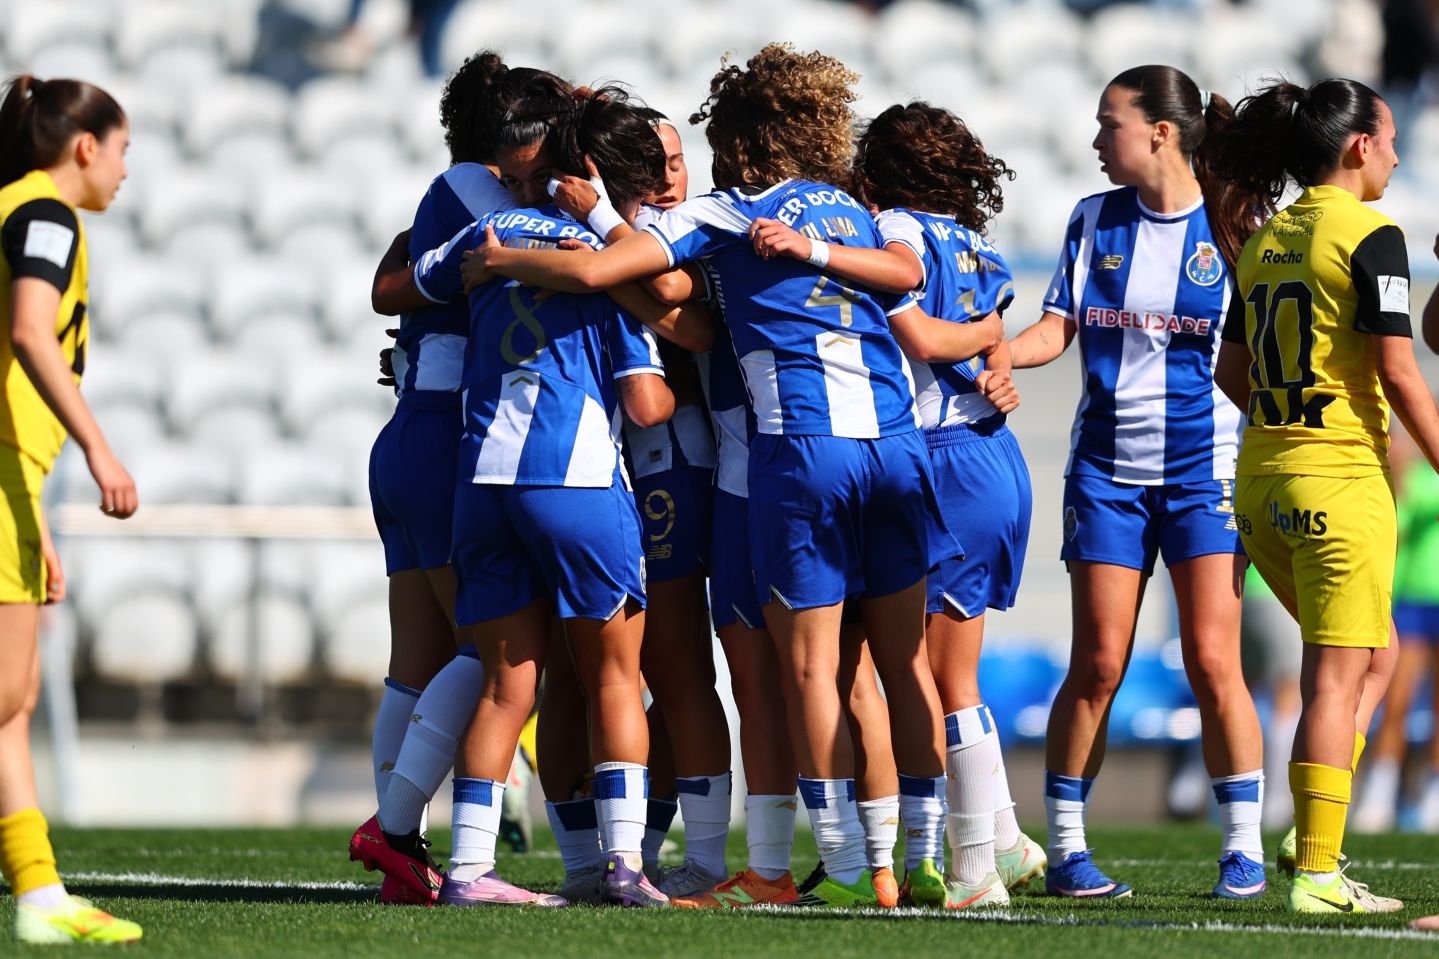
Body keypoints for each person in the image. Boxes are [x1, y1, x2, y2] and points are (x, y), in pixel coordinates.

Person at [461, 43, 953, 909]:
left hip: (779, 459)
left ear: (735, 140)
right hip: (890, 444)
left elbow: (635, 290)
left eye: (696, 152)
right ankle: (909, 856)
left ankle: (825, 866)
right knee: (882, 667)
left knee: (790, 673)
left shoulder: (726, 214)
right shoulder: (841, 206)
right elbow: (890, 276)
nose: (686, 171)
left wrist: (522, 254)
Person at [748, 99, 1040, 908]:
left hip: (939, 454)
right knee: (932, 669)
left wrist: (979, 343)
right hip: (989, 454)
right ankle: (999, 844)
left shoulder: (901, 231)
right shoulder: (976, 241)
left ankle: (977, 864)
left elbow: (922, 334)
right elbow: (990, 331)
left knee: (934, 675)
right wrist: (994, 348)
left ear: (874, 176)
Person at [1006, 64, 1266, 900]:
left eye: (1106, 122)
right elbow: (1054, 331)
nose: (1093, 139)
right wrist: (988, 351)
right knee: (1098, 662)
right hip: (1106, 474)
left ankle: (1242, 848)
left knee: (1212, 659)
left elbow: (1257, 364)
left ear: (1158, 130)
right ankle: (1068, 849)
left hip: (1205, 474)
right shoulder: (1091, 220)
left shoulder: (1235, 227)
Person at [1210, 76, 1439, 915]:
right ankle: (1316, 870)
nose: (1395, 153)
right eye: (1388, 139)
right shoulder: (1370, 232)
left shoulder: (1268, 237)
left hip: (1262, 478)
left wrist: (1288, 416)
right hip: (1338, 481)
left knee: (1370, 657)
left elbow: (1231, 372)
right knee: (1338, 679)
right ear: (1358, 147)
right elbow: (1398, 370)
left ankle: (1312, 828)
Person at [361, 51, 560, 907]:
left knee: (418, 658)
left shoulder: (447, 195)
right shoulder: (479, 195)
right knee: (491, 652)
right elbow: (425, 277)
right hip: (444, 438)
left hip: (410, 433)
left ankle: (398, 854)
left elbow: (390, 286)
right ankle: (397, 832)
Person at [0, 74, 141, 944]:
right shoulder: (48, 212)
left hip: (14, 482)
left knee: (12, 698)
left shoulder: (20, 206)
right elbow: (27, 329)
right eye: (123, 149)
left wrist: (37, 520)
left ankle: (39, 892)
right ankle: (40, 893)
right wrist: (98, 445)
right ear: (84, 146)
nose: (126, 170)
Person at [1352, 432, 1439, 833]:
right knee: (1396, 703)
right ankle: (1380, 795)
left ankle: (1432, 798)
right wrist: (1399, 474)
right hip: (1412, 602)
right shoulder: (1416, 476)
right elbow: (1396, 526)